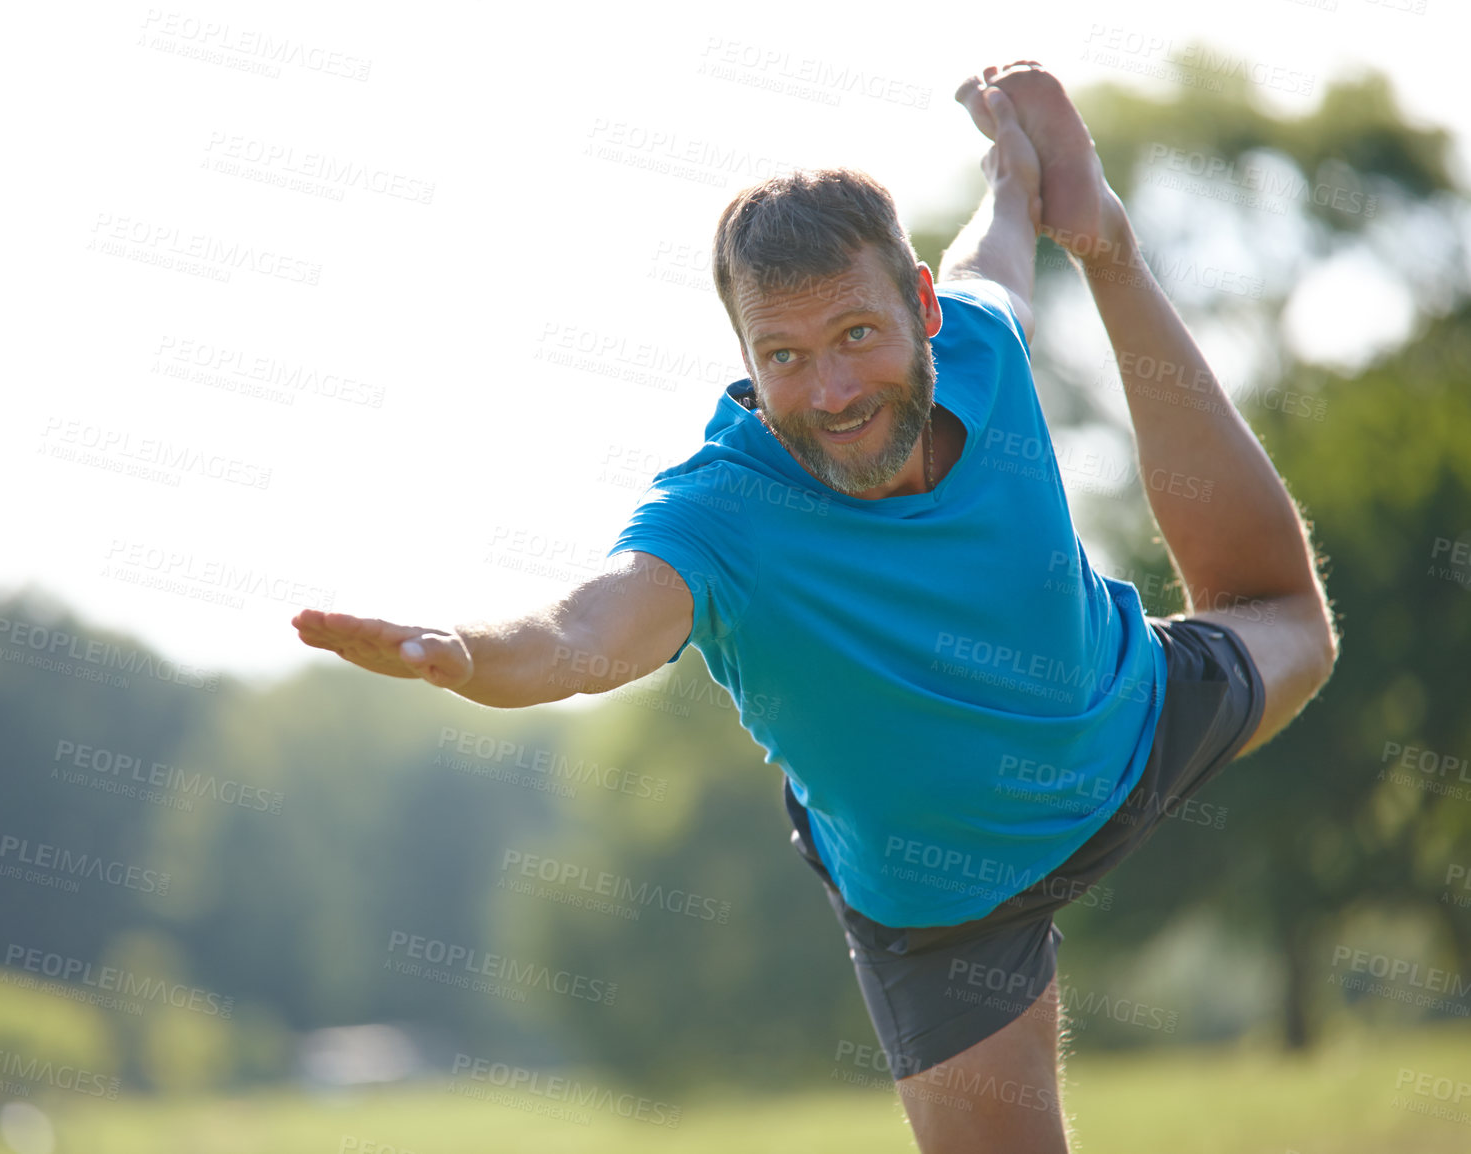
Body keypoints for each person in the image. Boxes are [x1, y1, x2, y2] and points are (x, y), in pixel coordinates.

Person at [291, 61, 1339, 1153]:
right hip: (943, 914)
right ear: (744, 363)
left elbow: (993, 262)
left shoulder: (973, 340)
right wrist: (467, 652)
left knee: (1288, 619)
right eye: (783, 357)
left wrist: (1029, 196)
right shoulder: (718, 513)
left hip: (1126, 726)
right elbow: (579, 634)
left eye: (855, 335)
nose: (831, 392)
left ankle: (1110, 239)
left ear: (920, 308)